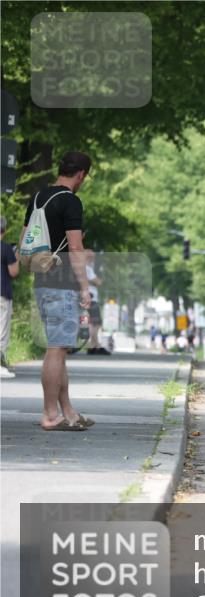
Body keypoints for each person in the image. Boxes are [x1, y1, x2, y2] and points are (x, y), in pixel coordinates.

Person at [18, 151, 93, 430]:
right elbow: (75, 247)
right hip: (62, 283)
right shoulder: (71, 201)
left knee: (58, 348)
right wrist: (85, 287)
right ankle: (50, 414)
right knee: (56, 348)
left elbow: (24, 238)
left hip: (42, 279)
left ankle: (68, 411)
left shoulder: (38, 198)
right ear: (81, 174)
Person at [1, 216, 19, 378]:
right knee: (1, 331)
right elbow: (13, 272)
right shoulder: (6, 249)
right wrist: (17, 258)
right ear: (4, 231)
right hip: (2, 294)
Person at [84, 249, 109, 354]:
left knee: (94, 323)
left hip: (88, 297)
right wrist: (98, 280)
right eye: (92, 257)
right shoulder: (87, 269)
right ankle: (94, 345)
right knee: (96, 323)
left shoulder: (84, 268)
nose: (93, 259)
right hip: (91, 298)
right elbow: (98, 282)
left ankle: (94, 345)